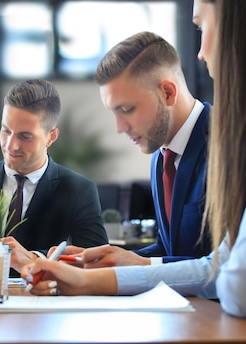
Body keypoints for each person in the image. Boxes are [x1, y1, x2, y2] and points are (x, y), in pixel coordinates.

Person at [21, 0, 246, 337]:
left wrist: (104, 278)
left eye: (201, 25)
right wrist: (118, 262)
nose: (200, 52)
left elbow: (237, 278)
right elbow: (217, 261)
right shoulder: (163, 159)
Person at [62, 31, 212, 268]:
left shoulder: (225, 146)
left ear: (167, 93)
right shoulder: (160, 157)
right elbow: (169, 249)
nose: (120, 127)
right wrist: (108, 260)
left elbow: (226, 262)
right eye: (114, 112)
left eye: (128, 109)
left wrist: (138, 265)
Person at [0, 79, 108, 280]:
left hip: (43, 305)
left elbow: (96, 264)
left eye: (25, 136)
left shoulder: (79, 189)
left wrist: (34, 260)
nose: (11, 145)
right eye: (6, 130)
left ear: (51, 137)